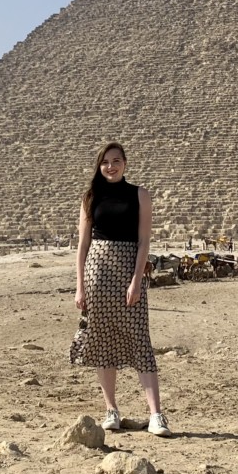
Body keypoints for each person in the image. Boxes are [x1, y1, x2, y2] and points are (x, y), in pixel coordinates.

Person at [69, 142, 172, 437]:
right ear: (99, 165)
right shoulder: (90, 197)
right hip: (97, 273)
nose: (111, 166)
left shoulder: (140, 195)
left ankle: (156, 415)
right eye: (105, 162)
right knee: (102, 341)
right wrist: (80, 287)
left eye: (116, 161)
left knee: (140, 340)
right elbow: (83, 245)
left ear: (125, 163)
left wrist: (136, 280)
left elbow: (144, 242)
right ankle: (111, 410)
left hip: (129, 270)